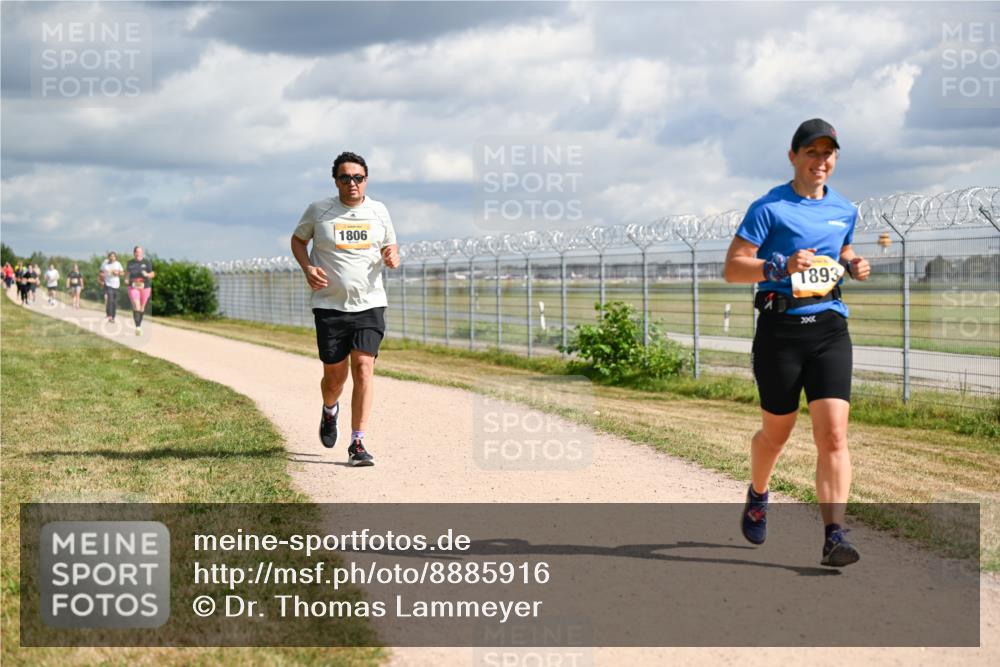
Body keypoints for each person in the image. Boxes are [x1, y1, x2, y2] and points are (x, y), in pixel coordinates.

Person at [723, 118, 871, 567]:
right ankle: (758, 493)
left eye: (828, 153)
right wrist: (779, 266)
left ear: (836, 159)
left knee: (834, 434)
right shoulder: (769, 207)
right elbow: (733, 267)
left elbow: (841, 249)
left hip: (829, 328)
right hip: (780, 333)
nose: (820, 161)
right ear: (793, 156)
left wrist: (853, 262)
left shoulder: (845, 208)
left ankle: (834, 535)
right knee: (777, 434)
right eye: (811, 152)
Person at [290, 151, 400, 467]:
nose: (352, 183)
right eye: (345, 177)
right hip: (330, 305)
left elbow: (390, 247)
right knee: (334, 378)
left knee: (364, 367)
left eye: (358, 178)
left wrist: (393, 256)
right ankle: (329, 409)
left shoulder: (379, 211)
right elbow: (298, 241)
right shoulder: (319, 211)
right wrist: (307, 267)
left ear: (366, 180)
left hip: (370, 303)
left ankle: (357, 442)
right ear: (336, 180)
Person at [126, 246, 155, 335]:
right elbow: (127, 273)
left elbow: (152, 274)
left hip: (145, 286)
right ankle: (138, 327)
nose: (138, 254)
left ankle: (139, 325)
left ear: (142, 253)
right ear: (134, 253)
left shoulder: (146, 262)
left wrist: (147, 275)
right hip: (133, 286)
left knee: (142, 307)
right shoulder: (130, 263)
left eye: (140, 252)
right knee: (136, 305)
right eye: (137, 252)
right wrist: (126, 279)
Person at [99, 251, 124, 323]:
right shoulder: (105, 263)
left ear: (116, 257)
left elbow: (122, 272)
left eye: (114, 256)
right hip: (108, 284)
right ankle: (109, 315)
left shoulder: (118, 264)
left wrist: (117, 273)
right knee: (110, 299)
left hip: (116, 284)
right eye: (111, 256)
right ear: (109, 257)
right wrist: (102, 277)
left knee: (114, 302)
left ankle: (113, 317)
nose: (112, 258)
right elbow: (100, 272)